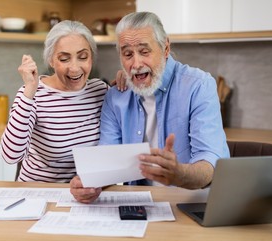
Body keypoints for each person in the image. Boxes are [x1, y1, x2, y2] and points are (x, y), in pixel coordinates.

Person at [70, 11, 230, 203]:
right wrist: (91, 183)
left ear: (165, 48)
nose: (136, 64)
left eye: (144, 52)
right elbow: (108, 163)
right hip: (139, 206)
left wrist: (180, 174)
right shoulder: (116, 97)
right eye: (127, 54)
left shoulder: (198, 86)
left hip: (190, 203)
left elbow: (211, 163)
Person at [1, 20, 109, 182]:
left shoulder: (100, 91)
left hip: (84, 194)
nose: (74, 68)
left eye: (82, 57)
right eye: (64, 59)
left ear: (91, 58)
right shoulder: (33, 94)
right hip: (38, 194)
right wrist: (30, 89)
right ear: (51, 60)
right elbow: (10, 155)